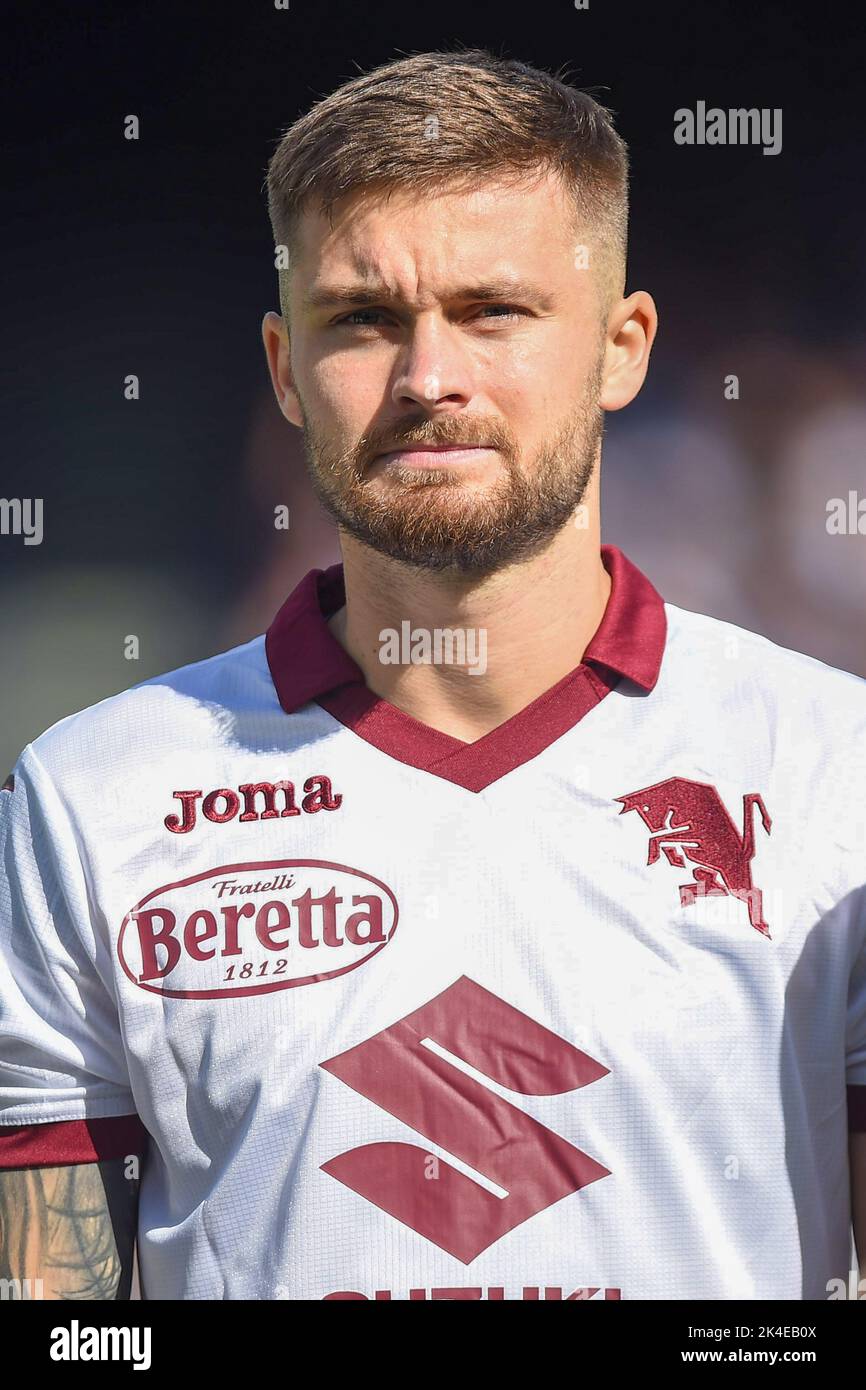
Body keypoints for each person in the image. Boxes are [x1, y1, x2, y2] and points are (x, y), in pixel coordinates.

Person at [2, 47, 865, 1302]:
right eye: (362, 319)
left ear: (623, 347)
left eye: (493, 310)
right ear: (284, 371)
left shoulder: (834, 769)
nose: (428, 379)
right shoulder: (89, 800)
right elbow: (55, 1320)